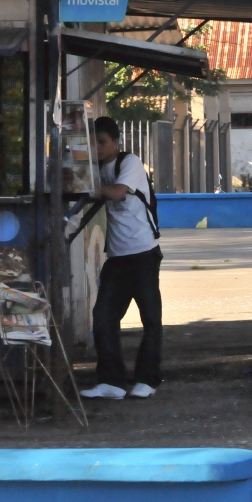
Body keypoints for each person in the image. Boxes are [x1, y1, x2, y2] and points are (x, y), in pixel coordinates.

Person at [81, 116, 162, 400]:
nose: (96, 147)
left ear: (116, 142)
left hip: (143, 253)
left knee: (150, 318)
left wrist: (81, 181)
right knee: (103, 317)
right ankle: (112, 382)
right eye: (91, 142)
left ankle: (148, 379)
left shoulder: (130, 163)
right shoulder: (93, 169)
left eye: (101, 142)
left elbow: (116, 193)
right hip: (116, 256)